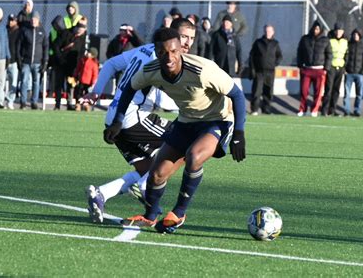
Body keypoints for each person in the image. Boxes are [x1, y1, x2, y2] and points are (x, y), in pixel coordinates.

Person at [103, 27, 247, 233]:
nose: (169, 57)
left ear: (180, 50)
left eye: (173, 51)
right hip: (186, 122)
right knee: (157, 174)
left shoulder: (203, 70)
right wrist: (117, 121)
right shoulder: (151, 70)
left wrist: (239, 134)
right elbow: (129, 89)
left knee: (194, 156)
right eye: (163, 53)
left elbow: (238, 95)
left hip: (218, 120)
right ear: (156, 51)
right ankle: (149, 217)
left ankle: (179, 213)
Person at [81, 19, 197, 224]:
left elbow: (111, 64)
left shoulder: (145, 49)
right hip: (131, 117)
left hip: (114, 118)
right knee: (188, 144)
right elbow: (164, 101)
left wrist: (96, 91)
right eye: (184, 37)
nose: (187, 43)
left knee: (147, 168)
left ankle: (101, 194)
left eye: (191, 38)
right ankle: (144, 187)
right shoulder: (163, 60)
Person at [296, 20, 332, 117]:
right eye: (315, 28)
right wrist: (300, 65)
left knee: (318, 92)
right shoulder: (305, 39)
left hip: (319, 70)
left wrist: (326, 69)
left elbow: (329, 55)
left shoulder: (325, 40)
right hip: (307, 69)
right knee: (304, 91)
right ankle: (302, 109)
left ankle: (314, 110)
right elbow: (299, 52)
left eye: (318, 29)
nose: (316, 30)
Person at [52, 17, 87, 110]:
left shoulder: (82, 38)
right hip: (60, 63)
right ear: (76, 28)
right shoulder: (66, 33)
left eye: (82, 31)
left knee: (71, 85)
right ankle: (57, 104)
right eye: (79, 30)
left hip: (72, 65)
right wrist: (60, 58)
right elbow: (56, 46)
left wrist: (79, 66)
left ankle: (69, 103)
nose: (80, 32)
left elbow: (81, 52)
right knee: (59, 84)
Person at [16, 11, 48, 110]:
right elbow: (19, 45)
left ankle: (34, 102)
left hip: (38, 62)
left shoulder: (42, 32)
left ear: (38, 20)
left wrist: (45, 62)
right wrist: (19, 59)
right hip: (26, 61)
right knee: (24, 81)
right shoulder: (25, 30)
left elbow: (45, 47)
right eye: (32, 19)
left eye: (35, 19)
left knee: (36, 82)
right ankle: (23, 101)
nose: (33, 21)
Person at [249, 24, 283, 115]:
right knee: (257, 91)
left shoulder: (275, 43)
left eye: (269, 31)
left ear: (273, 32)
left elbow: (279, 56)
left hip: (270, 72)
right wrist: (252, 69)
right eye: (266, 31)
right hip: (259, 71)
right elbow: (252, 56)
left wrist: (274, 64)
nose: (268, 33)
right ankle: (254, 109)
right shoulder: (258, 42)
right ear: (264, 31)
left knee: (268, 91)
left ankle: (266, 110)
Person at [321, 23, 348, 116]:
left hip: (340, 68)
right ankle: (324, 109)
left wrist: (345, 66)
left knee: (336, 90)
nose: (338, 32)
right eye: (337, 30)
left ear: (343, 32)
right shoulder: (330, 40)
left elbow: (346, 54)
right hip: (331, 67)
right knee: (328, 89)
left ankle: (332, 110)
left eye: (340, 31)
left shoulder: (345, 41)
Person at [343, 29, 363, 117]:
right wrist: (345, 69)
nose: (355, 36)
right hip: (349, 73)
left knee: (359, 94)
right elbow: (344, 57)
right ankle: (346, 110)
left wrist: (362, 72)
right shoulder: (348, 44)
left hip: (359, 74)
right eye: (354, 35)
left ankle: (357, 110)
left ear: (360, 36)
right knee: (347, 93)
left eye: (357, 35)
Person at [73, 47, 99, 112]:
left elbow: (95, 74)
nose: (87, 53)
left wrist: (93, 82)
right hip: (81, 80)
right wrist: (75, 76)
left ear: (93, 55)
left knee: (87, 95)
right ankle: (78, 105)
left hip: (88, 82)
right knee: (78, 93)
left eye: (89, 53)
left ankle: (87, 106)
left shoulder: (94, 63)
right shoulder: (82, 60)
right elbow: (78, 69)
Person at [5, 14, 21, 110]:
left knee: (13, 82)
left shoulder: (19, 32)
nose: (10, 22)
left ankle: (10, 101)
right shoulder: (5, 30)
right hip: (4, 60)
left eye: (12, 20)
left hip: (14, 61)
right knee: (1, 81)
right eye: (9, 20)